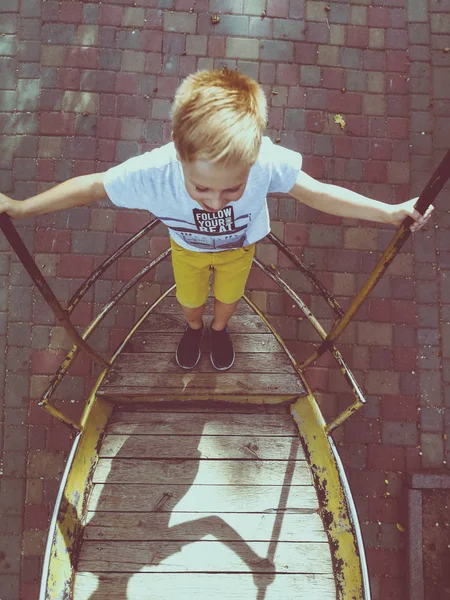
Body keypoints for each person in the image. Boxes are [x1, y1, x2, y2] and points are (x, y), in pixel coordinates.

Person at [0, 69, 432, 372]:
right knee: (189, 303)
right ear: (179, 152)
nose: (214, 202)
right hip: (186, 250)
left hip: (239, 251)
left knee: (229, 299)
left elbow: (317, 192)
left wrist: (388, 212)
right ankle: (194, 330)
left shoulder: (264, 160)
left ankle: (219, 331)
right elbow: (93, 186)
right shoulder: (156, 172)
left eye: (231, 189)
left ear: (254, 157)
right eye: (202, 188)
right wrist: (21, 207)